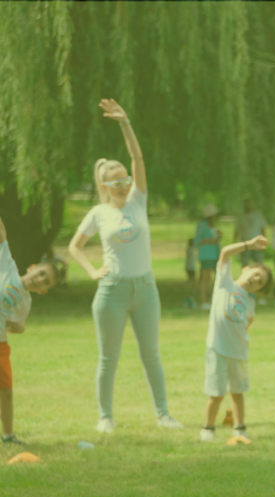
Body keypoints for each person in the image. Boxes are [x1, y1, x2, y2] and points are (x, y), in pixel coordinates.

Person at [68, 98, 184, 433]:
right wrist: (92, 271)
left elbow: (138, 156)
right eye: (116, 182)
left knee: (152, 355)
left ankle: (163, 415)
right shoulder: (99, 213)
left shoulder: (138, 200)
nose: (124, 184)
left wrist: (124, 122)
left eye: (126, 179)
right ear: (104, 186)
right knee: (109, 359)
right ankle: (105, 417)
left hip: (146, 289)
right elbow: (75, 247)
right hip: (112, 292)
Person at [200, 235, 273, 442]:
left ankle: (239, 428)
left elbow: (248, 322)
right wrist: (249, 244)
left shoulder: (250, 302)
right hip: (217, 349)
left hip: (239, 352)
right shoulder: (225, 282)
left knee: (238, 392)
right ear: (246, 268)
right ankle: (208, 428)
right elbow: (224, 253)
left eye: (260, 282)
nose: (255, 280)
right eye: (256, 274)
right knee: (216, 393)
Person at [0, 215, 65, 445]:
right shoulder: (7, 265)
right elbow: (2, 235)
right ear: (32, 267)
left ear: (44, 291)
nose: (39, 279)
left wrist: (18, 327)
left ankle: (8, 435)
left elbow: (18, 324)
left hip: (1, 345)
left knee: (6, 391)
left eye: (45, 281)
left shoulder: (26, 302)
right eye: (40, 273)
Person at [195, 204, 222, 310]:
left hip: (215, 253)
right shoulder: (202, 224)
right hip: (206, 254)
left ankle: (214, 299)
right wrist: (211, 240)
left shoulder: (213, 225)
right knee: (205, 277)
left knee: (216, 277)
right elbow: (197, 240)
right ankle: (203, 301)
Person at [236, 199, 268, 267]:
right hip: (245, 243)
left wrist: (264, 242)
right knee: (245, 263)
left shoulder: (258, 215)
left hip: (258, 243)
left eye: (249, 204)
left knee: (259, 263)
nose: (248, 206)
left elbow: (263, 229)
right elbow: (237, 231)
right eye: (246, 205)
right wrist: (235, 244)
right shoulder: (241, 217)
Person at [184, 238, 198, 309]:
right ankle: (193, 289)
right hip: (192, 267)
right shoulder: (193, 249)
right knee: (193, 279)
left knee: (191, 279)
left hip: (188, 266)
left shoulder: (188, 249)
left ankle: (187, 285)